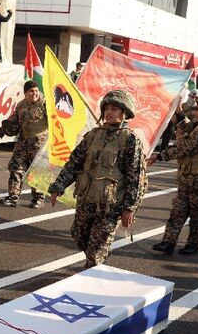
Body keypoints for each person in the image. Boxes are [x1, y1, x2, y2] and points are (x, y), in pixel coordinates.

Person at [49, 90, 146, 268]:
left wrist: (129, 208)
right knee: (78, 233)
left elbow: (136, 178)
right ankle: (98, 258)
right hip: (87, 200)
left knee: (95, 251)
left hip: (111, 207)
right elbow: (74, 162)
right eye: (106, 108)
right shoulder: (93, 135)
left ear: (125, 113)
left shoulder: (131, 140)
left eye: (115, 109)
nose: (109, 112)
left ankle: (93, 271)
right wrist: (58, 186)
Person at [148, 93, 198, 255]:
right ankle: (168, 242)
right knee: (178, 211)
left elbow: (184, 148)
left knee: (197, 216)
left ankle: (193, 244)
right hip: (188, 179)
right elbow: (185, 129)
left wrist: (159, 156)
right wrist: (178, 110)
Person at [0, 80, 48, 208]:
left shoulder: (45, 104)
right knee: (15, 167)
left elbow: (56, 121)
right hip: (22, 142)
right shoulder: (21, 105)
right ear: (25, 93)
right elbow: (13, 120)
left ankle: (38, 199)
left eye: (36, 91)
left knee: (36, 171)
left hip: (38, 143)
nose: (35, 93)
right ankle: (13, 197)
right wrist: (2, 130)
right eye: (31, 91)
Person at [159, 88, 198, 152]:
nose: (192, 98)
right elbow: (175, 115)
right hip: (178, 124)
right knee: (170, 126)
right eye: (191, 96)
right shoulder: (183, 105)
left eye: (194, 97)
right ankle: (163, 148)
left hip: (188, 127)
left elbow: (193, 121)